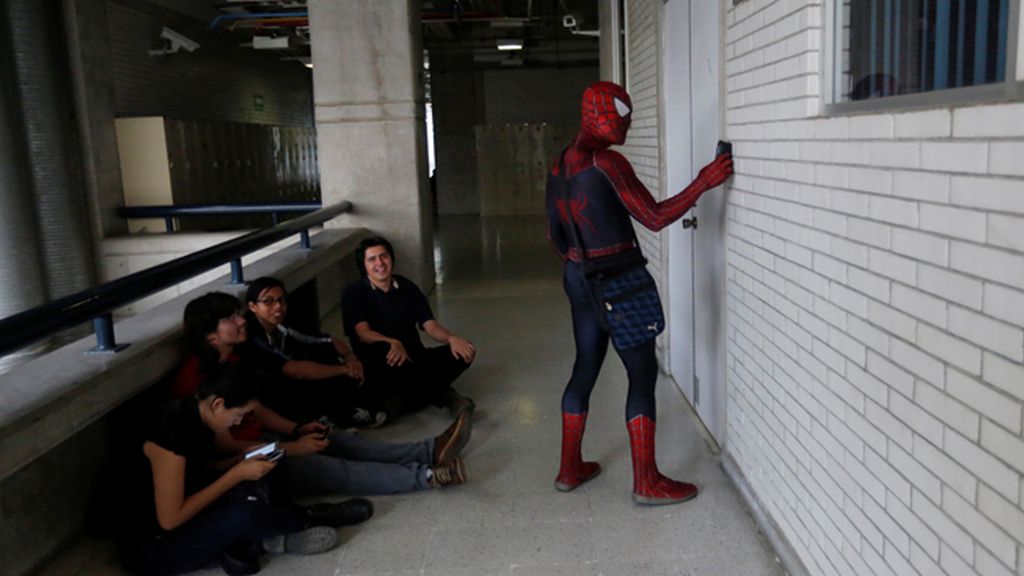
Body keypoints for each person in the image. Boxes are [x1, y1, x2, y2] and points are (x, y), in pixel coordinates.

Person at [545, 81, 733, 505]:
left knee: (584, 369)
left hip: (579, 276)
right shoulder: (607, 163)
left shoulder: (559, 166)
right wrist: (706, 180)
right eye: (620, 113)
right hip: (619, 278)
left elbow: (554, 234)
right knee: (641, 374)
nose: (625, 121)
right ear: (600, 114)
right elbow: (654, 216)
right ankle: (646, 482)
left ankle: (569, 468)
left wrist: (583, 263)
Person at [174, 292, 471, 498]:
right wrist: (291, 448)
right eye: (230, 319)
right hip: (243, 464)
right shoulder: (196, 381)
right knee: (331, 468)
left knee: (342, 442)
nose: (241, 322)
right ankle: (427, 477)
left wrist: (296, 430)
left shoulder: (233, 360)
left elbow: (257, 410)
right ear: (210, 335)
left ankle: (428, 451)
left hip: (265, 442)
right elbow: (230, 449)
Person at [126, 363, 362, 575]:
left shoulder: (200, 413)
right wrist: (235, 474)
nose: (239, 422)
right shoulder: (170, 437)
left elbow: (198, 472)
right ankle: (306, 519)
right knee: (243, 513)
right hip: (158, 546)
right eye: (238, 415)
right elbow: (170, 519)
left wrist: (240, 460)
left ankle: (248, 544)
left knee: (269, 459)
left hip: (193, 507)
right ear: (218, 404)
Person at [341, 236, 476, 420]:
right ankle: (449, 398)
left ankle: (401, 403)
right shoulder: (353, 293)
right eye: (372, 259)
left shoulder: (407, 287)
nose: (380, 263)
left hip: (415, 357)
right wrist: (392, 342)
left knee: (465, 352)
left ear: (392, 258)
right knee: (397, 360)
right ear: (363, 265)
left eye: (384, 256)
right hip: (381, 362)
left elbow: (430, 325)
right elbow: (362, 334)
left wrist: (452, 338)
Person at [240, 276, 387, 429]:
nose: (278, 306)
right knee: (312, 372)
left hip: (286, 383)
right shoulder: (252, 336)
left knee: (323, 354)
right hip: (263, 398)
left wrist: (349, 358)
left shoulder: (281, 325)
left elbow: (327, 341)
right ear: (252, 306)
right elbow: (294, 370)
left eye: (281, 300)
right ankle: (326, 418)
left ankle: (346, 412)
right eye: (268, 301)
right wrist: (344, 370)